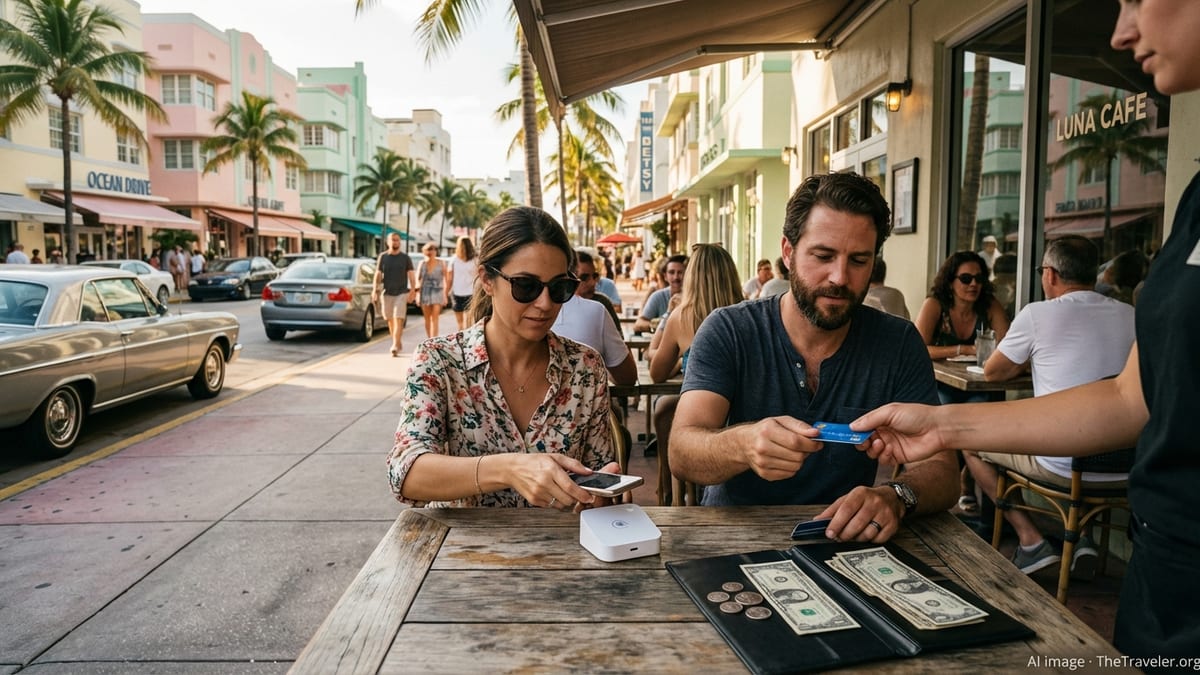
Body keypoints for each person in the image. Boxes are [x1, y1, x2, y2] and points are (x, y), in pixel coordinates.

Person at [856, 2, 1200, 659]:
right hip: (1165, 569)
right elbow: (1131, 398)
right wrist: (942, 426)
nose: (1120, 32)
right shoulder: (1195, 200)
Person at [669, 172, 957, 541]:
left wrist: (896, 496)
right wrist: (742, 444)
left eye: (858, 260)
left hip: (847, 540)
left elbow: (943, 470)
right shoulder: (730, 329)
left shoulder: (898, 342)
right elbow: (681, 450)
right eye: (823, 255)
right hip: (733, 536)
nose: (839, 277)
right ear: (788, 252)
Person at [386, 206, 618, 510]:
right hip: (463, 551)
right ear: (487, 279)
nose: (545, 303)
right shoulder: (439, 361)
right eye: (526, 286)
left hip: (562, 549)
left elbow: (597, 472)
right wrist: (509, 470)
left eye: (560, 287)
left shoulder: (584, 367)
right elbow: (406, 474)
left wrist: (601, 494)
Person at [964, 235, 1135, 576]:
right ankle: (1083, 537)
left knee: (968, 443)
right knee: (1092, 423)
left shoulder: (1038, 315)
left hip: (1062, 465)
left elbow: (994, 371)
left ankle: (1031, 542)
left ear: (1051, 275)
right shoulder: (1133, 315)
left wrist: (1032, 358)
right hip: (1128, 466)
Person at [914, 251, 1010, 514]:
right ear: (950, 281)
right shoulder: (935, 305)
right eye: (965, 278)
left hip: (975, 384)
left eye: (978, 278)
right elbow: (918, 347)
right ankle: (950, 487)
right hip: (941, 385)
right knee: (947, 420)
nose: (973, 285)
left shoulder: (989, 306)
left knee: (978, 420)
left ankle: (969, 485)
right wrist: (962, 349)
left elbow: (1006, 347)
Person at [649, 243, 744, 505]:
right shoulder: (750, 313)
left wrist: (682, 357)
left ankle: (670, 490)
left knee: (665, 410)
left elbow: (656, 373)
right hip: (740, 417)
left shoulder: (681, 316)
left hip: (699, 422)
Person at [372, 232, 418, 357]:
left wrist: (413, 290)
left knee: (398, 318)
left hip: (401, 293)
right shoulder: (383, 257)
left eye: (397, 240)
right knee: (390, 320)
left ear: (400, 242)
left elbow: (411, 275)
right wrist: (375, 290)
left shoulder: (405, 257)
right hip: (387, 293)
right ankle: (397, 341)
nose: (395, 242)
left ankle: (394, 345)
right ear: (388, 242)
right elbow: (378, 274)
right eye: (392, 240)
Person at [633, 253, 687, 333]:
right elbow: (639, 324)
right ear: (665, 276)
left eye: (680, 273)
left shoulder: (695, 297)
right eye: (672, 272)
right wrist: (660, 325)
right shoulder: (658, 296)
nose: (676, 277)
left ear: (688, 275)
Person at [573, 250, 621, 330]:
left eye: (595, 276)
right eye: (584, 278)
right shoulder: (557, 306)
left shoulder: (602, 302)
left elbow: (619, 337)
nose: (593, 282)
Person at [417, 242, 449, 339]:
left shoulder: (441, 263)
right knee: (427, 318)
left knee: (435, 318)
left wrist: (445, 295)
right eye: (428, 250)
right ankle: (429, 338)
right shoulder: (422, 263)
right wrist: (417, 296)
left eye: (433, 249)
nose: (431, 252)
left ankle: (433, 339)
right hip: (425, 292)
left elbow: (446, 280)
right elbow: (418, 280)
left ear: (436, 251)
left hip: (437, 291)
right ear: (424, 252)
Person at [447, 236, 479, 330]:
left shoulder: (453, 260)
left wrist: (445, 293)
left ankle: (461, 342)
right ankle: (468, 342)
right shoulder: (476, 259)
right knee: (469, 322)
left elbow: (449, 279)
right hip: (471, 293)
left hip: (457, 293)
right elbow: (479, 277)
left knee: (460, 323)